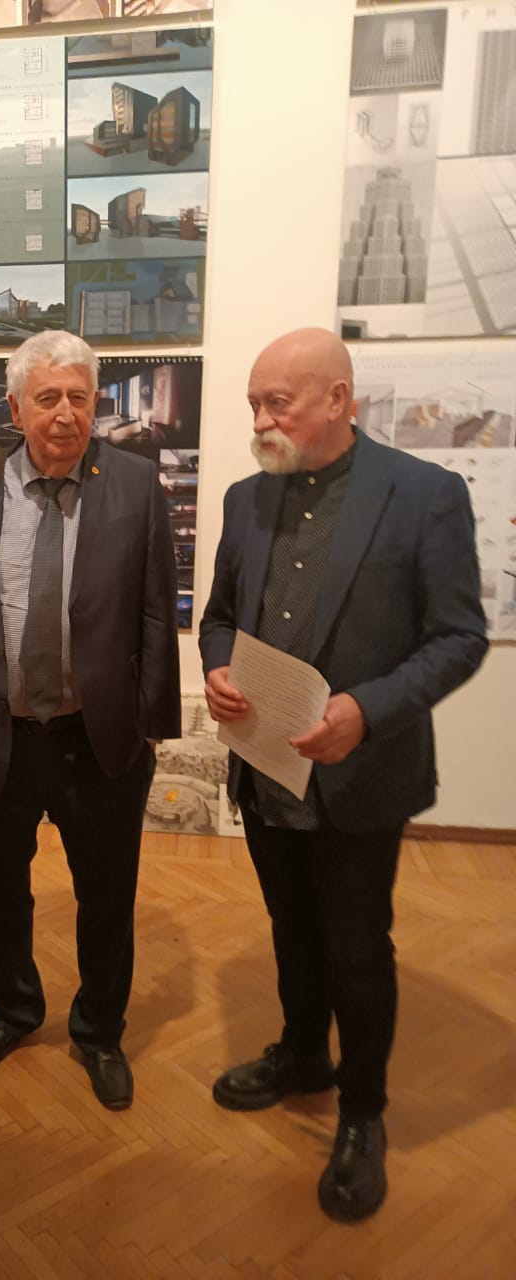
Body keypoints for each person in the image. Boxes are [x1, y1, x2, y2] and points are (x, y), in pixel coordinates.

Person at [199, 327, 487, 1222]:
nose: (260, 420)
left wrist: (367, 709)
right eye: (254, 404)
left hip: (362, 773)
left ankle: (363, 1112)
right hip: (266, 767)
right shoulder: (246, 498)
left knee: (358, 948)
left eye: (277, 403)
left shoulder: (425, 495)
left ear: (337, 399)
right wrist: (216, 666)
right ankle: (302, 1055)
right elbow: (218, 618)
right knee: (291, 925)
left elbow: (459, 637)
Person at [0, 331, 180, 1110]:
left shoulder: (136, 488)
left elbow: (157, 613)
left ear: (96, 403)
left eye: (79, 397)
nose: (65, 414)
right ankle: (13, 1011)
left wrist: (151, 728)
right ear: (15, 407)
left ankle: (98, 1031)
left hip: (98, 740)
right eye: (48, 398)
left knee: (107, 896)